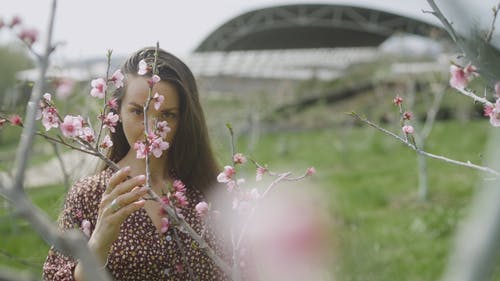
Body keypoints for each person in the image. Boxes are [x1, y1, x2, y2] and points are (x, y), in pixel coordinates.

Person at [42, 47, 230, 281]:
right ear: (118, 111)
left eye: (167, 115)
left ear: (184, 119)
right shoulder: (91, 195)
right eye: (137, 111)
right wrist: (99, 243)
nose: (151, 129)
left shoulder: (208, 191)